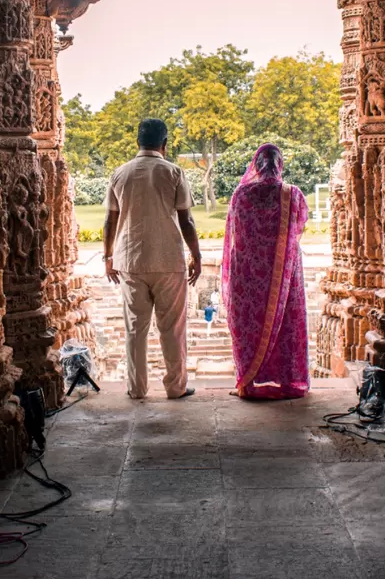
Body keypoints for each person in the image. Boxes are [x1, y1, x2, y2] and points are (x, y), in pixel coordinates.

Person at [103, 118, 202, 400]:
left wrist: (108, 256)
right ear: (165, 144)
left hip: (131, 260)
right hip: (168, 260)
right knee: (171, 329)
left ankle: (137, 388)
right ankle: (175, 386)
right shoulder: (173, 172)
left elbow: (110, 222)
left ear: (138, 142)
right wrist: (196, 255)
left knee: (136, 329)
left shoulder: (120, 174)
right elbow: (187, 220)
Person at [222, 143, 310, 399]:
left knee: (249, 324)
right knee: (286, 325)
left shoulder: (241, 194)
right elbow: (299, 226)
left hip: (248, 275)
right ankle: (287, 381)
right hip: (283, 274)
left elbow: (236, 233)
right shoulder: (292, 194)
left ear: (256, 166)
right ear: (279, 165)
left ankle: (248, 382)